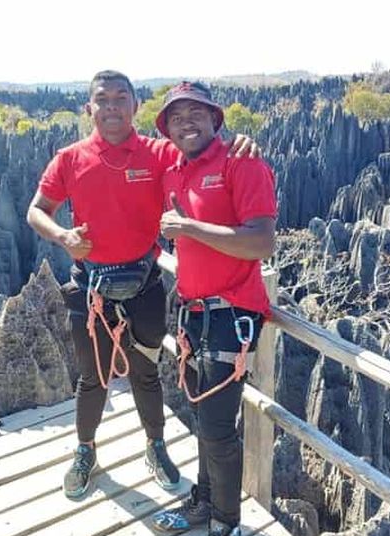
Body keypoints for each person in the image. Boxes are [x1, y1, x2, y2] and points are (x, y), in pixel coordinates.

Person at [26, 71, 258, 500]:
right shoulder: (70, 158)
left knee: (146, 372)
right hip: (91, 288)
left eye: (121, 98)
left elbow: (204, 148)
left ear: (135, 106)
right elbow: (36, 211)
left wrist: (241, 145)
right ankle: (86, 451)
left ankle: (155, 446)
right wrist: (62, 237)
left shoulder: (160, 153)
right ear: (89, 108)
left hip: (146, 286)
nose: (112, 106)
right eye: (102, 99)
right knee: (92, 378)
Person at [150, 81, 276, 536]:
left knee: (219, 428)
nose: (186, 122)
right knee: (203, 417)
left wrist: (190, 229)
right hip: (196, 312)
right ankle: (204, 500)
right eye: (176, 116)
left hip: (232, 316)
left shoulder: (241, 164)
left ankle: (227, 525)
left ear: (215, 119)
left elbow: (261, 242)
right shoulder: (175, 168)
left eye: (196, 113)